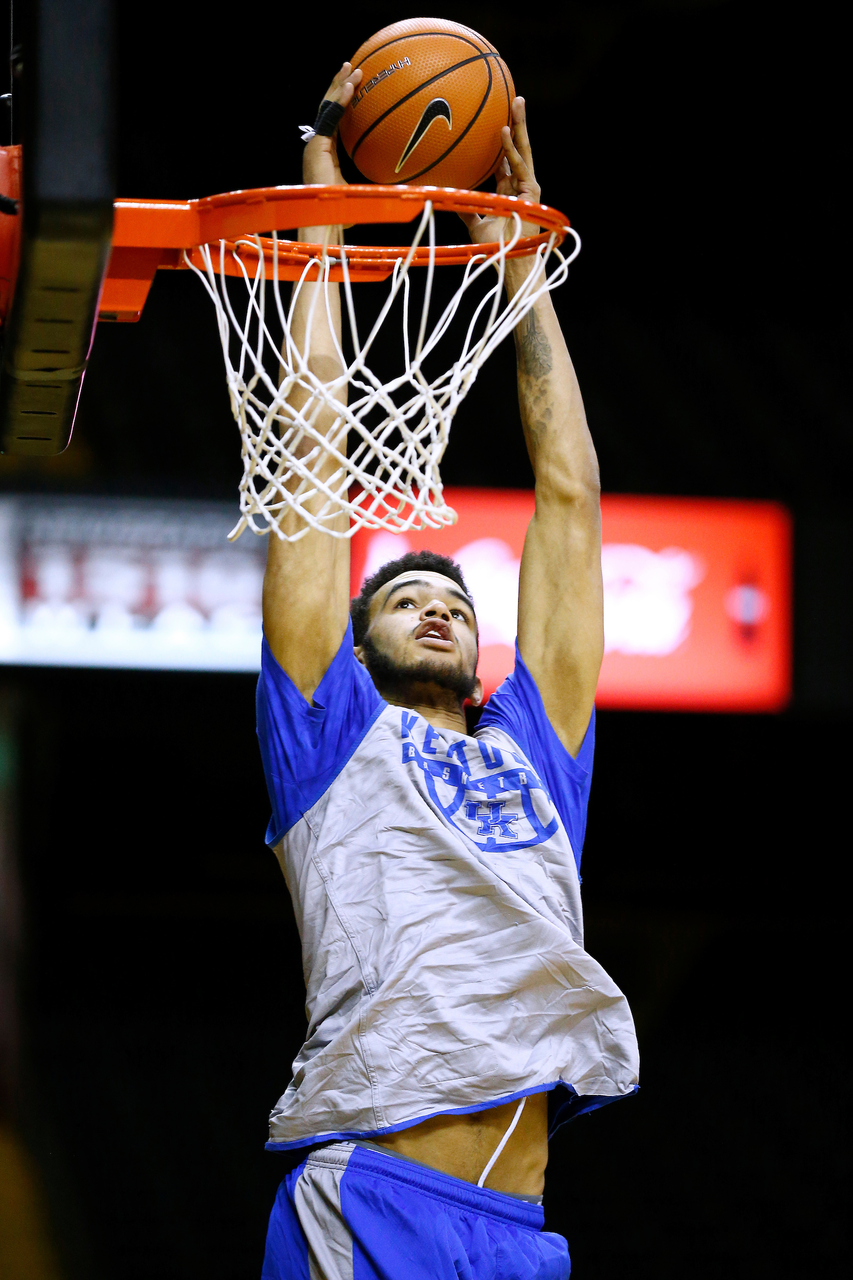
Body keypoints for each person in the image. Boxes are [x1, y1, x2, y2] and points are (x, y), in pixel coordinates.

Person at [256, 62, 639, 1280]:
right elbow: (313, 468)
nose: (436, 607)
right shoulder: (327, 734)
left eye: (454, 601)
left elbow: (569, 500)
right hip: (370, 1197)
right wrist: (324, 217)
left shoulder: (536, 747)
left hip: (519, 1234)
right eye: (404, 597)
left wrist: (519, 259)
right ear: (355, 646)